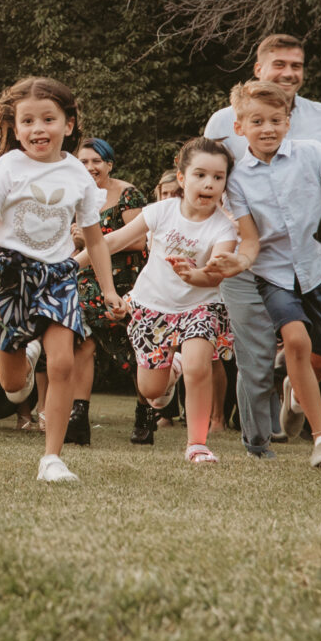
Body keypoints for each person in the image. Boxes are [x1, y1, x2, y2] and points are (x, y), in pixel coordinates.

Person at [0, 77, 126, 485]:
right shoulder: (9, 168)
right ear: (16, 128)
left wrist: (109, 290)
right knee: (13, 385)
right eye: (28, 121)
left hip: (57, 274)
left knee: (64, 362)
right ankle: (25, 352)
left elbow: (95, 239)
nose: (38, 129)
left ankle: (52, 458)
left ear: (68, 125)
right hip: (8, 274)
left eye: (48, 119)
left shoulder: (77, 174)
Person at [99, 136, 258, 463]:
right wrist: (69, 264)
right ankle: (173, 367)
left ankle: (197, 444)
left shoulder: (224, 229)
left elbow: (214, 277)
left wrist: (193, 275)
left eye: (218, 177)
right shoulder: (161, 211)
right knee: (152, 391)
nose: (209, 183)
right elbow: (111, 242)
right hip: (152, 305)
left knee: (199, 367)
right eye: (200, 175)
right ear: (182, 178)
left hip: (200, 305)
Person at [223, 83, 321, 468]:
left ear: (288, 122)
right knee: (295, 340)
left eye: (276, 120)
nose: (268, 128)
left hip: (317, 268)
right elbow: (250, 241)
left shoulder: (311, 152)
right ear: (240, 127)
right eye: (257, 121)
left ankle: (295, 391)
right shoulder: (236, 180)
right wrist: (238, 263)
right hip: (272, 274)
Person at [74, 138, 147, 446]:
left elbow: (139, 240)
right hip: (87, 278)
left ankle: (145, 417)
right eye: (83, 162)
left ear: (109, 164)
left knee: (136, 347)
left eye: (96, 161)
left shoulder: (127, 194)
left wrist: (93, 238)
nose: (90, 167)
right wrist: (77, 241)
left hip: (126, 280)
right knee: (84, 341)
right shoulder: (74, 195)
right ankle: (78, 417)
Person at [205, 33, 321, 153]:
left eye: (296, 66)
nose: (289, 74)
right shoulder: (222, 122)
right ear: (258, 70)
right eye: (279, 65)